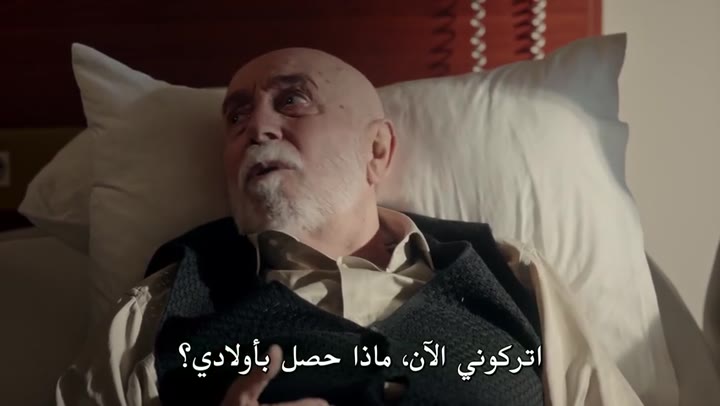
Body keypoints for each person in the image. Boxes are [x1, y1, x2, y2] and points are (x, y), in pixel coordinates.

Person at [56, 48, 643, 406]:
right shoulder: (159, 312)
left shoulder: (512, 278)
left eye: (292, 101)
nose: (256, 128)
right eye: (237, 115)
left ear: (377, 149)